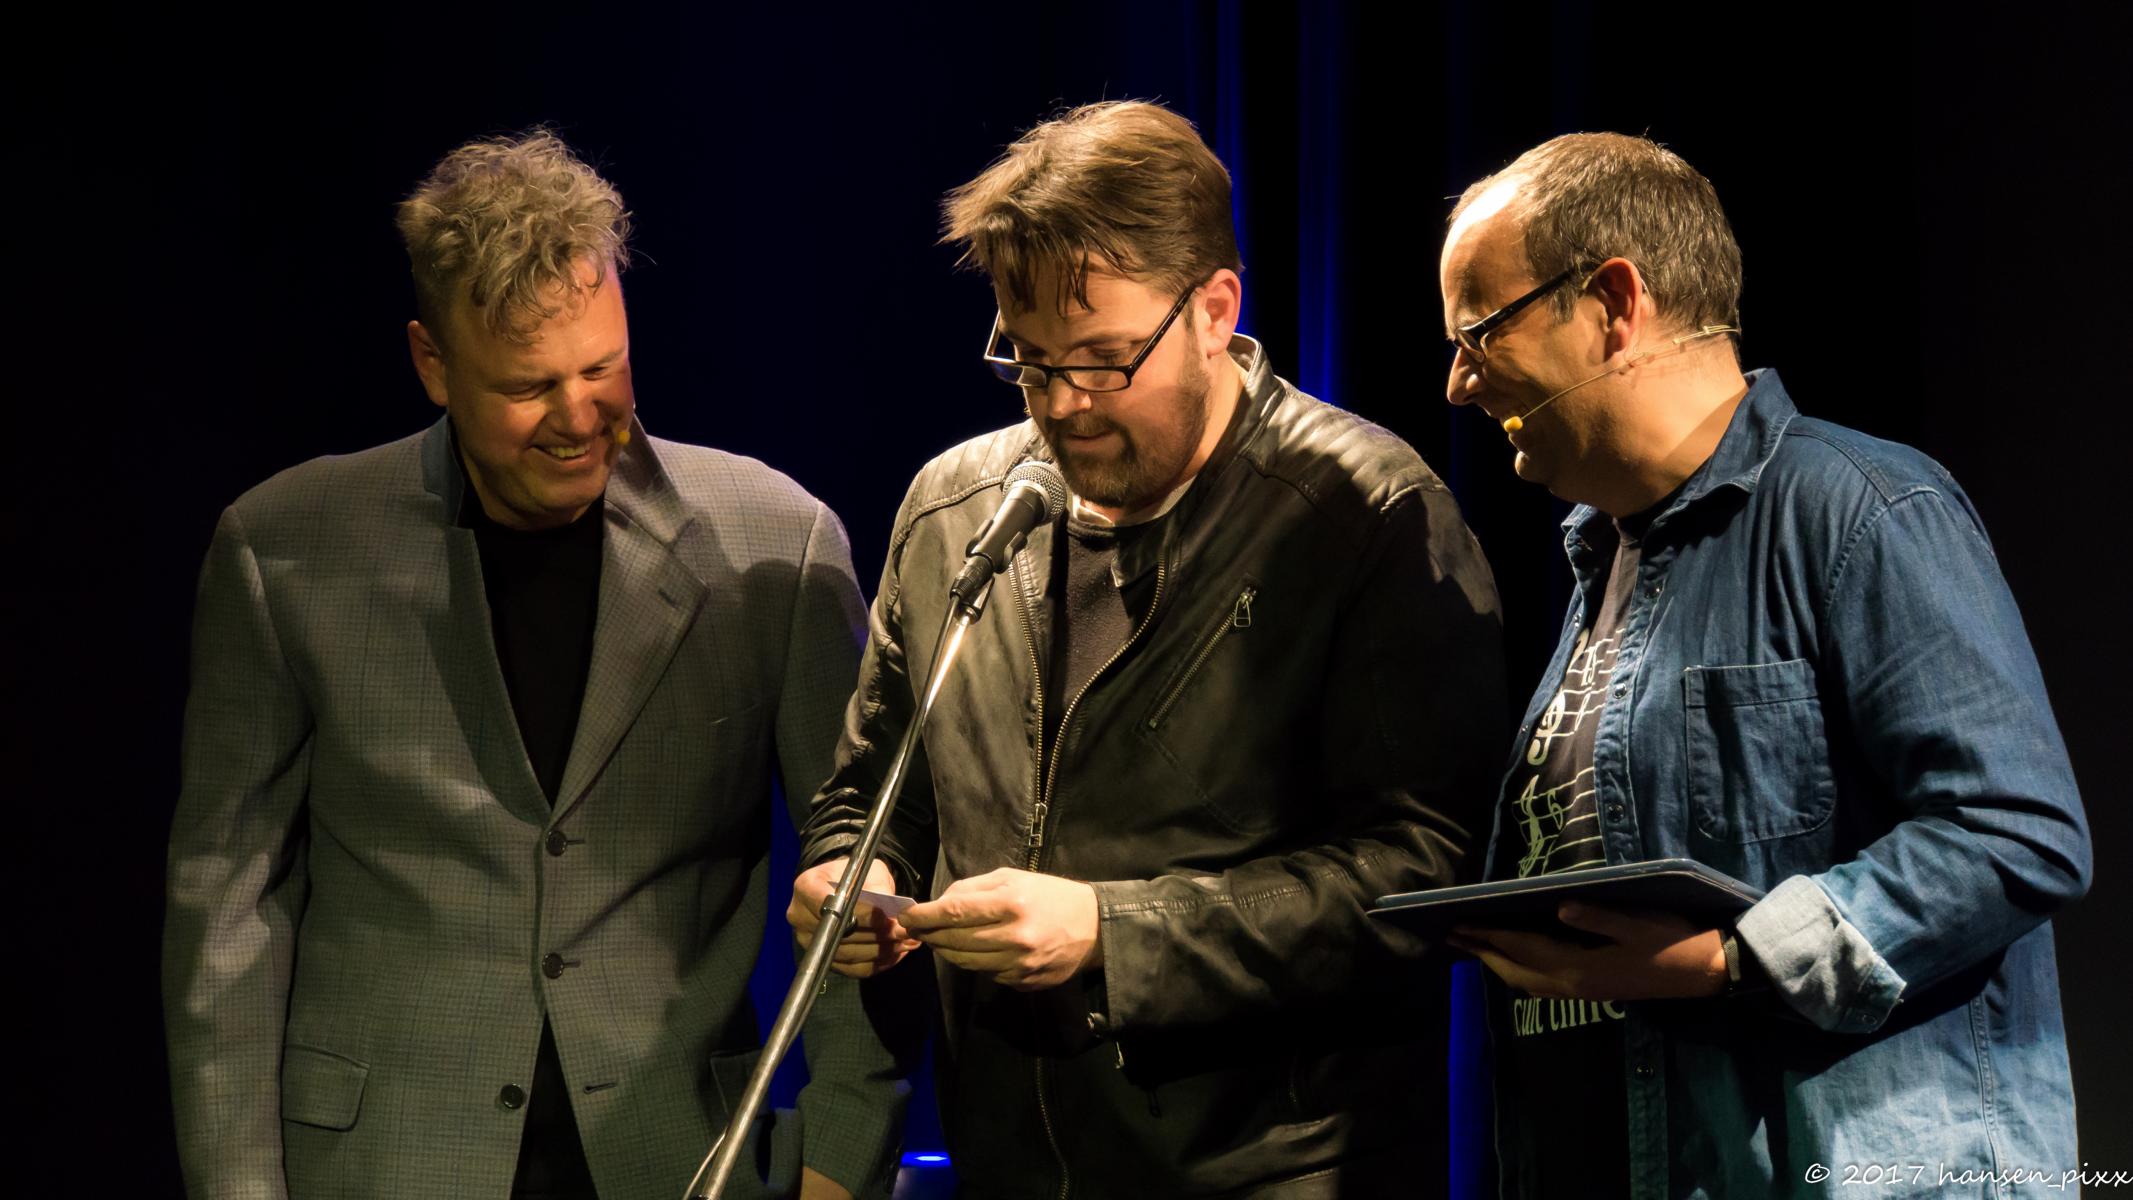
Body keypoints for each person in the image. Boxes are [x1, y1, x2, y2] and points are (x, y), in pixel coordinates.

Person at [163, 131, 903, 1200]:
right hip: (381, 1167)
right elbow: (227, 904)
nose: (577, 417)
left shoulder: (776, 546)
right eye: (527, 385)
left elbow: (865, 864)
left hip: (680, 1159)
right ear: (431, 363)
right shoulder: (284, 547)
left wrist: (842, 1157)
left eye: (602, 368)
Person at [787, 101, 1506, 1196]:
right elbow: (875, 789)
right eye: (1029, 360)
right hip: (1010, 1163)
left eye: (1106, 360)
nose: (1064, 405)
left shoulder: (1363, 515)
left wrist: (1114, 933)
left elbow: (1425, 873)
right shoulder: (950, 508)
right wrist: (856, 874)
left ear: (1214, 310)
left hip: (1275, 1171)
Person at [1437, 133, 2091, 1198]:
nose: (1458, 381)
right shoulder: (1605, 559)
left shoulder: (1863, 509)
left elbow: (2017, 831)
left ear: (1613, 302)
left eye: (1479, 330)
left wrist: (1729, 959)